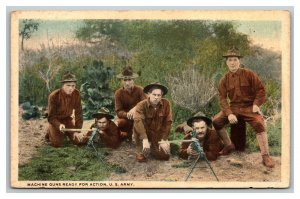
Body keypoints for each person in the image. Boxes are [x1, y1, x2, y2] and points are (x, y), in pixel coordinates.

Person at [212, 47, 275, 168]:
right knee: (216, 121)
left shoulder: (249, 74)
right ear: (226, 62)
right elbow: (222, 98)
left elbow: (261, 90)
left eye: (235, 59)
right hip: (234, 108)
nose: (232, 62)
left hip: (249, 108)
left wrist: (256, 104)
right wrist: (229, 113)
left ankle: (265, 156)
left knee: (259, 123)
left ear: (239, 61)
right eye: (230, 60)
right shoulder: (224, 79)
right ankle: (229, 145)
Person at [133, 83, 172, 162]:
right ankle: (141, 146)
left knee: (165, 156)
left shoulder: (166, 104)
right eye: (154, 94)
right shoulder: (141, 105)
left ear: (162, 96)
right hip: (142, 133)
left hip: (157, 134)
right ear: (148, 94)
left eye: (159, 95)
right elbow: (138, 122)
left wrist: (164, 139)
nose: (156, 97)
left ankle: (154, 146)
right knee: (141, 159)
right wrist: (144, 139)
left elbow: (168, 122)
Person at [46, 72, 84, 147]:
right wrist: (59, 125)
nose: (71, 88)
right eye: (68, 85)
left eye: (73, 86)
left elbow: (79, 113)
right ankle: (49, 131)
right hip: (56, 121)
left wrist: (77, 130)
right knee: (57, 144)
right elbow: (51, 117)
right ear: (63, 85)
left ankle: (67, 133)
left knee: (77, 141)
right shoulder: (54, 96)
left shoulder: (76, 94)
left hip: (67, 120)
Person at [114, 66, 147, 141]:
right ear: (121, 81)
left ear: (133, 80)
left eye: (129, 80)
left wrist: (135, 109)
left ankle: (134, 135)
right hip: (126, 119)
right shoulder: (118, 93)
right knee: (118, 123)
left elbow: (145, 103)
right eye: (125, 80)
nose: (127, 83)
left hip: (139, 118)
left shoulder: (140, 90)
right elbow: (118, 111)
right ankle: (127, 135)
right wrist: (127, 114)